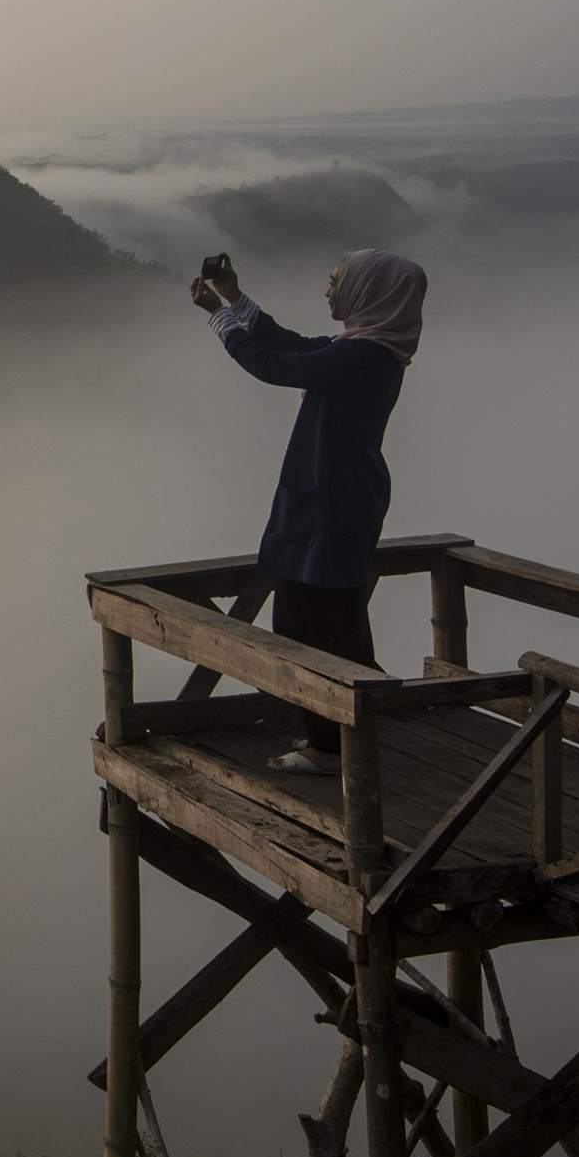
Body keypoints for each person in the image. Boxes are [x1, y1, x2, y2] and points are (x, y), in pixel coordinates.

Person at [187, 247, 428, 774]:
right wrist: (234, 297)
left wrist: (219, 318)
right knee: (318, 621)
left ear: (371, 291)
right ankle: (340, 735)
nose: (328, 291)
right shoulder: (367, 348)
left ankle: (336, 746)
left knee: (321, 628)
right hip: (332, 497)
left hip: (333, 501)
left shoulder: (361, 357)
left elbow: (273, 364)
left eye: (336, 282)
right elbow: (293, 345)